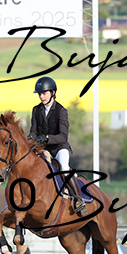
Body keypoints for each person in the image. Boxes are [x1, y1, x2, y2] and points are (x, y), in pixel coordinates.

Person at [27, 76, 88, 216]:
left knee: (64, 167)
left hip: (59, 147)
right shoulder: (36, 110)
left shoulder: (61, 110)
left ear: (53, 92)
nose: (41, 96)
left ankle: (79, 200)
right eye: (40, 94)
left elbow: (63, 136)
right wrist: (30, 138)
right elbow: (33, 131)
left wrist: (47, 138)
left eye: (44, 93)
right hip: (43, 148)